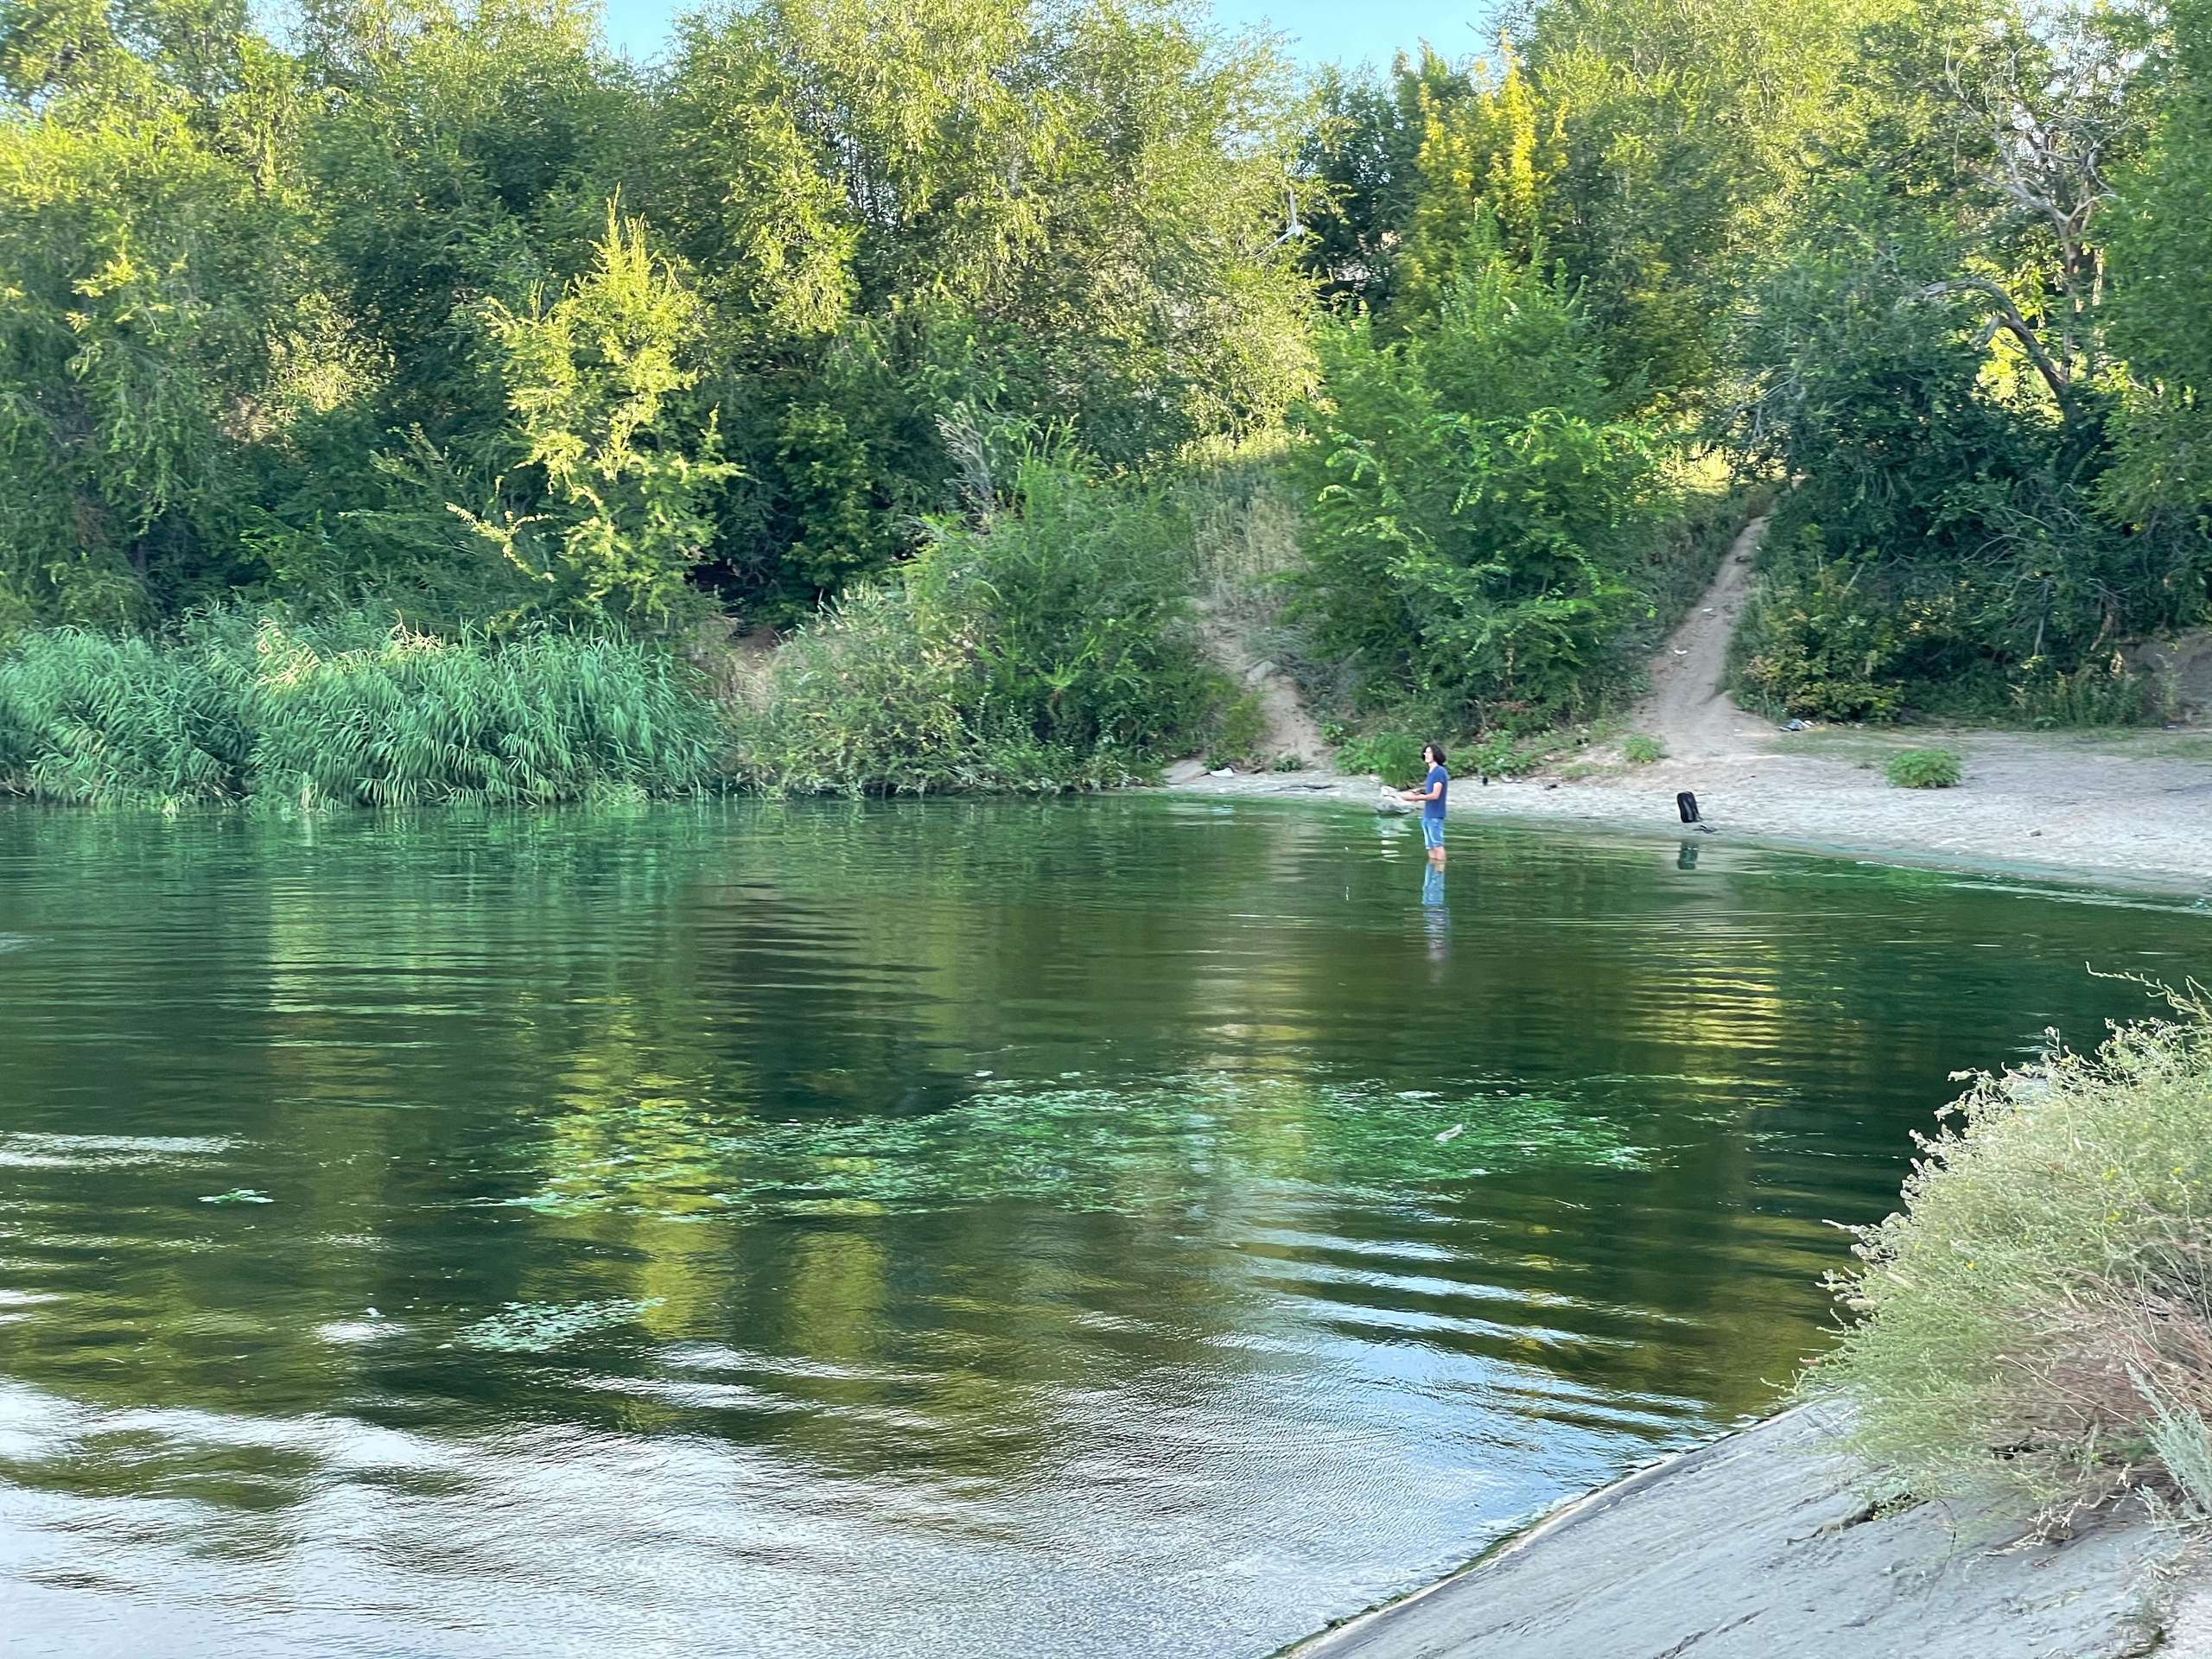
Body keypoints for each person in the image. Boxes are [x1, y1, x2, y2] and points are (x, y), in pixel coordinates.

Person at [1400, 743, 1449, 864]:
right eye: (1425, 752)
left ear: (1435, 754)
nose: (1426, 755)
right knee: (1430, 847)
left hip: (1435, 816)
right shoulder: (1431, 771)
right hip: (1427, 815)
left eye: (1429, 752)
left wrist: (1414, 799)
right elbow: (1431, 791)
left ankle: (1439, 873)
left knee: (1437, 845)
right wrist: (1420, 791)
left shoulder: (1439, 771)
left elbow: (1435, 795)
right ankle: (1432, 872)